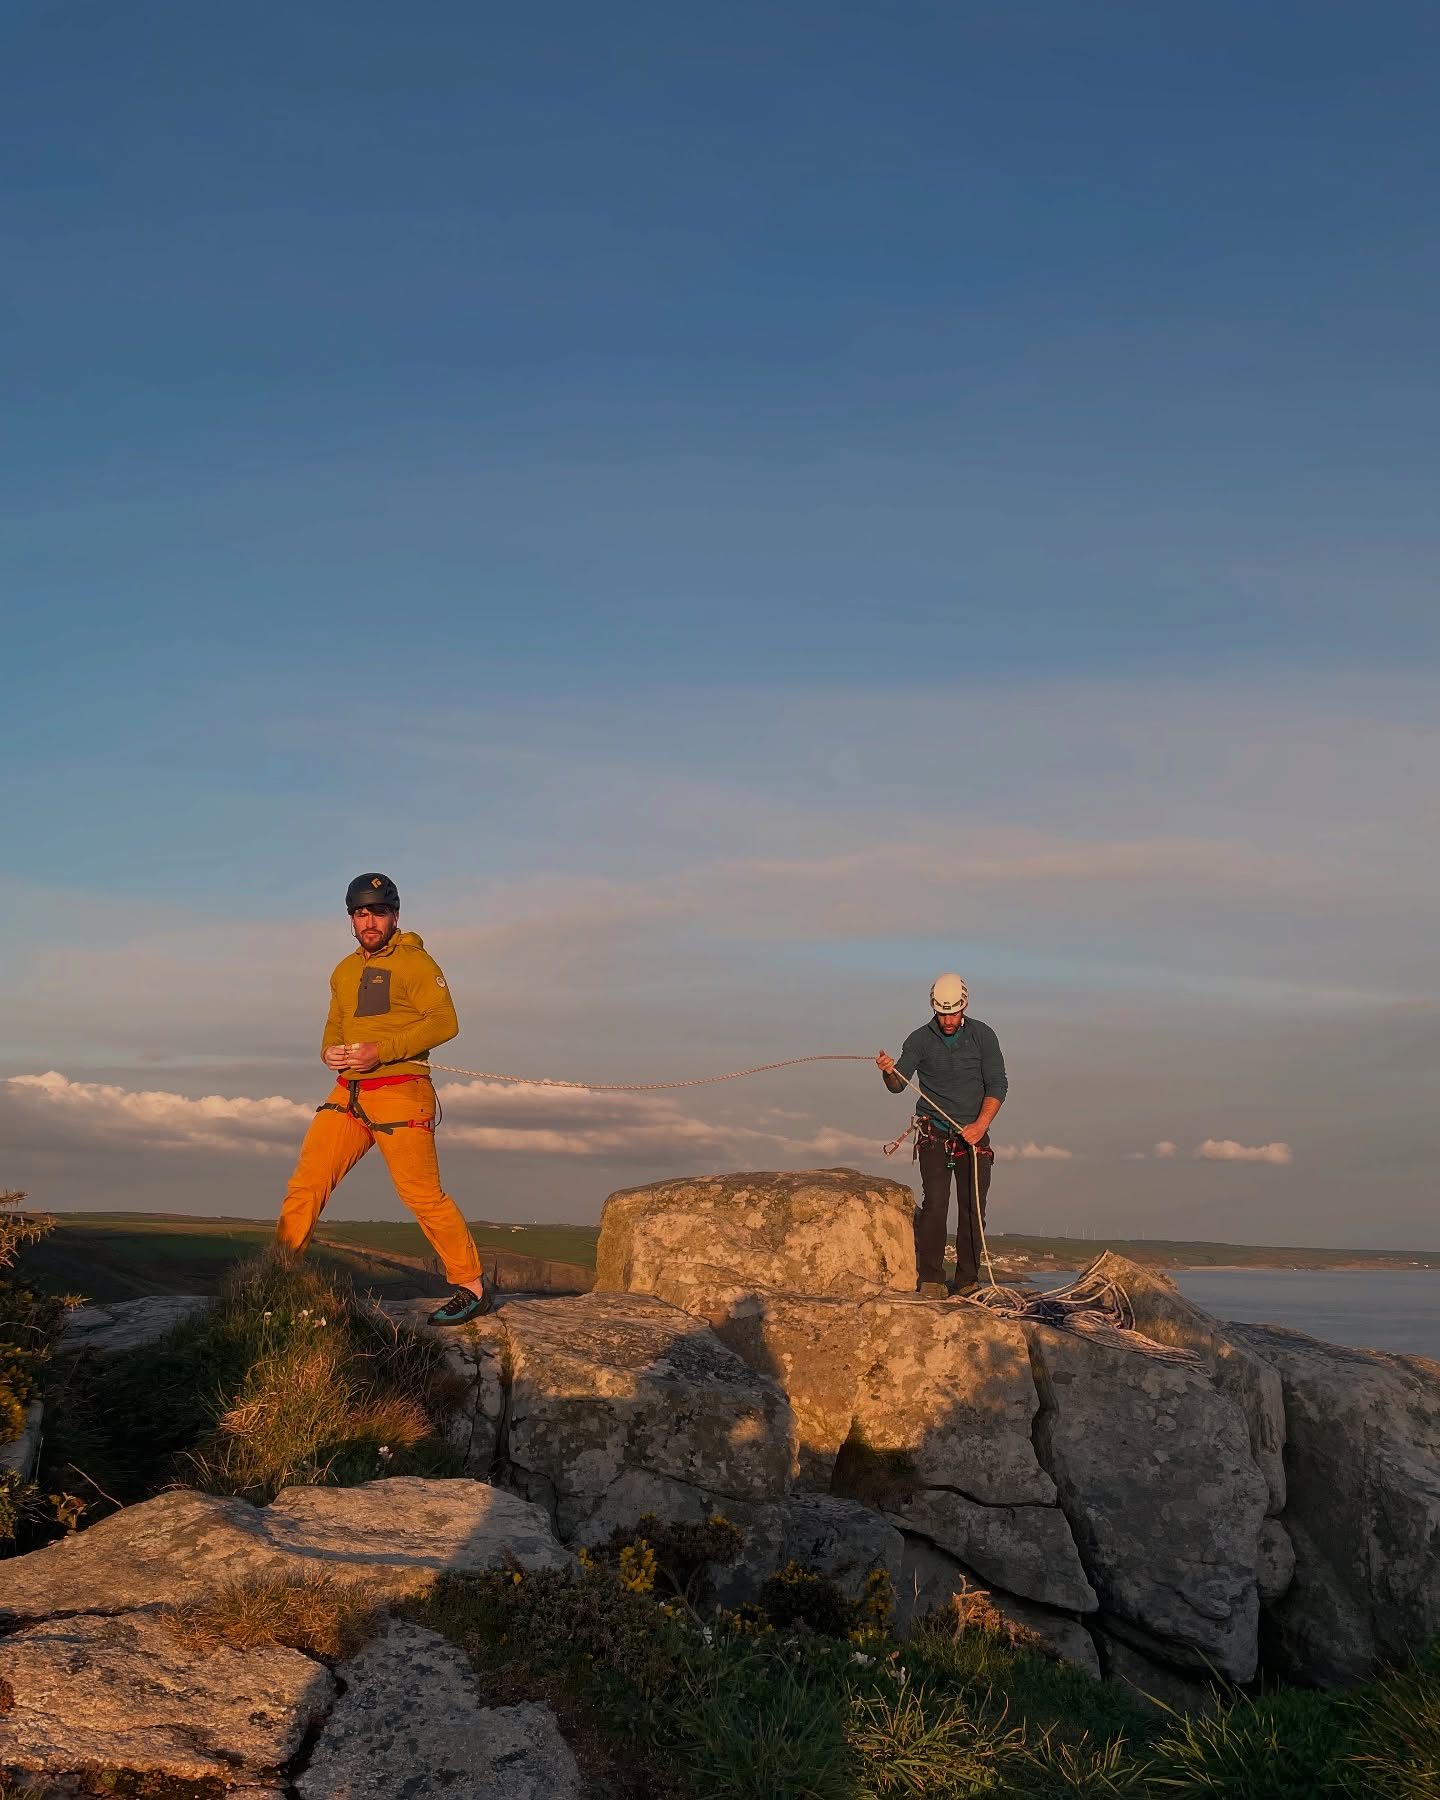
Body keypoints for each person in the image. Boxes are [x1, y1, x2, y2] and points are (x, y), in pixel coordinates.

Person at [274, 872, 493, 1325]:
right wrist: (328, 1052)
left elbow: (445, 1022)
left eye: (378, 911)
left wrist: (382, 1051)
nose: (369, 921)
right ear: (351, 919)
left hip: (401, 1092)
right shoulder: (344, 969)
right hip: (348, 1092)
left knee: (421, 1196)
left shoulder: (416, 963)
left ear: (395, 915)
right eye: (360, 913)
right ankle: (277, 1274)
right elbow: (335, 1023)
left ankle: (471, 1286)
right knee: (307, 1183)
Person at [876, 974, 1008, 1300]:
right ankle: (932, 1279)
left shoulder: (983, 1036)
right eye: (942, 1014)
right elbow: (898, 1085)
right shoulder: (919, 1040)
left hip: (973, 1137)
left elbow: (997, 1085)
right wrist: (887, 1071)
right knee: (936, 1205)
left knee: (972, 1209)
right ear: (933, 1009)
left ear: (964, 1007)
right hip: (934, 1134)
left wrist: (980, 1125)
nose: (948, 1020)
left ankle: (967, 1281)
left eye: (954, 1013)